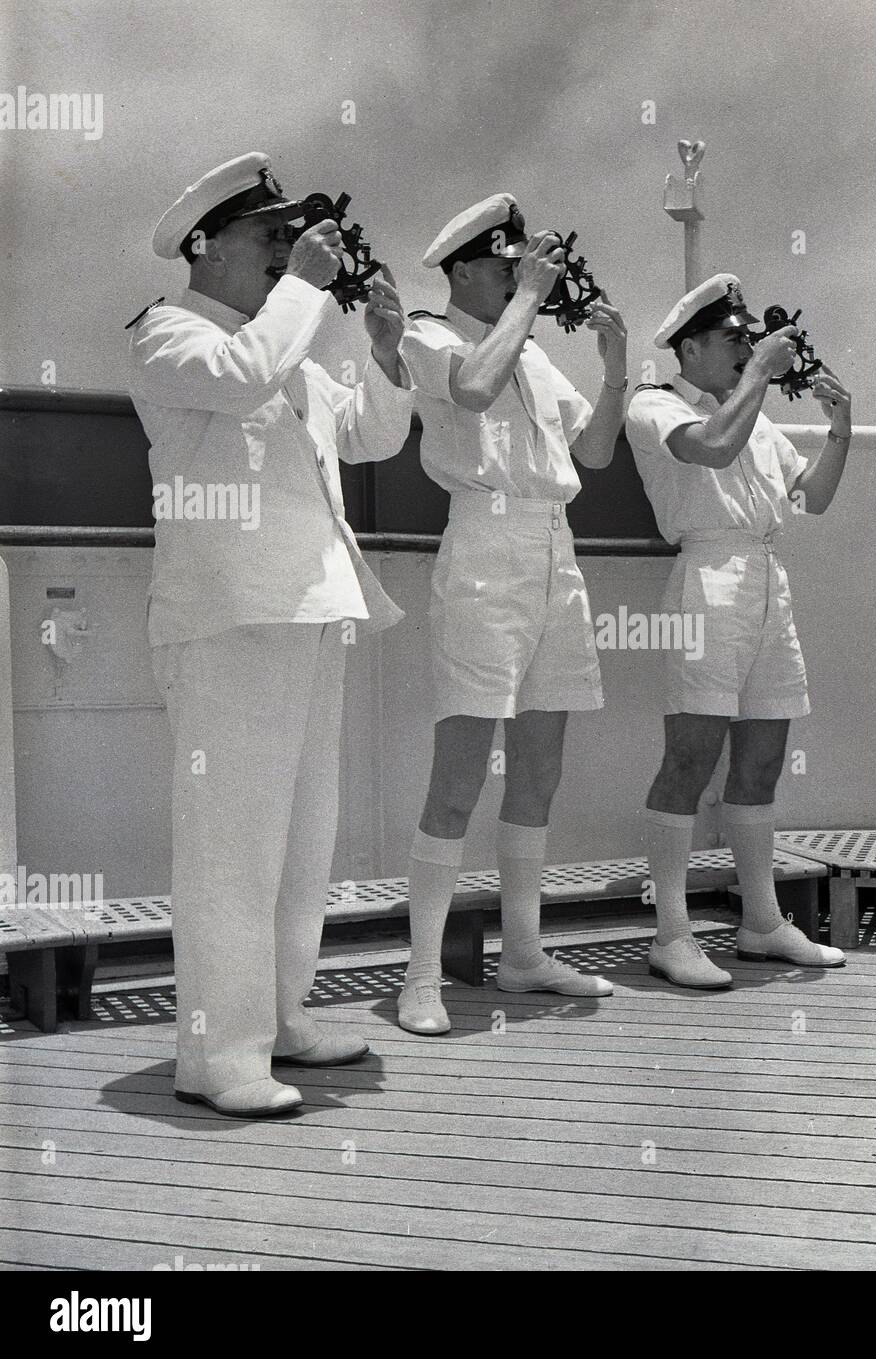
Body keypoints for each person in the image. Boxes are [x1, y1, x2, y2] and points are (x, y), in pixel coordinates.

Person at [127, 153, 414, 1116]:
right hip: (227, 622)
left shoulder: (284, 346)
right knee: (231, 847)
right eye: (269, 238)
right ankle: (216, 1054)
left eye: (290, 238)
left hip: (306, 613)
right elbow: (243, 377)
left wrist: (383, 346)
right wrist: (307, 292)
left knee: (300, 841)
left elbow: (373, 434)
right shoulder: (169, 336)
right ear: (205, 246)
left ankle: (282, 1018)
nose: (287, 252)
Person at [395, 194, 628, 1033]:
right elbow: (473, 383)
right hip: (485, 555)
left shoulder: (529, 354)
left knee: (538, 768)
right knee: (459, 776)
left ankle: (523, 953)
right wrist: (529, 301)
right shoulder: (434, 335)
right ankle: (421, 975)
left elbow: (594, 452)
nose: (520, 278)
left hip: (553, 552)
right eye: (505, 267)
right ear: (465, 270)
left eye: (521, 267)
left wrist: (617, 367)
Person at [624, 274, 853, 988]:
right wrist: (761, 372)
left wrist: (840, 427)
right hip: (707, 577)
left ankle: (761, 921)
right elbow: (712, 449)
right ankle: (671, 933)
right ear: (689, 346)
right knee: (690, 760)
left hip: (764, 578)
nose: (745, 348)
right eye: (733, 338)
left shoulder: (750, 412)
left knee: (761, 758)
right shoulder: (654, 404)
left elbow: (811, 496)